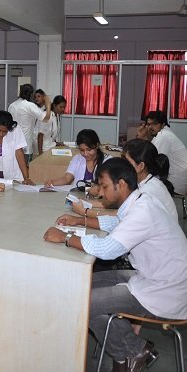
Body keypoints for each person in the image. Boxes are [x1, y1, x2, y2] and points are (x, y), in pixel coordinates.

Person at [43, 159, 187, 371]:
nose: (100, 193)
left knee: (80, 301)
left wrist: (66, 238)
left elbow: (107, 250)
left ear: (121, 184)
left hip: (166, 291)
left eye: (104, 187)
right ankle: (134, 350)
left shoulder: (143, 212)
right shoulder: (140, 201)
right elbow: (118, 223)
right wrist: (80, 221)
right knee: (81, 284)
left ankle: (131, 352)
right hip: (153, 278)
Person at [121, 139, 177, 220]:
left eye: (127, 162)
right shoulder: (149, 181)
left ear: (141, 166)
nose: (123, 165)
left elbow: (125, 215)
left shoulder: (147, 191)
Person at [0, 111, 32, 184]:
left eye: (4, 131)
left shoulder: (15, 131)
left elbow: (19, 154)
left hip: (14, 176)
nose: (1, 134)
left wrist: (26, 178)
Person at [44, 129, 111, 188]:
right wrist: (52, 182)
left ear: (97, 145)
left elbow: (109, 185)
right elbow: (67, 179)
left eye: (89, 149)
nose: (85, 153)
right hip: (78, 197)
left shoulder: (108, 161)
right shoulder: (77, 159)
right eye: (82, 150)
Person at [145, 110, 187, 195]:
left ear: (163, 124)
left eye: (154, 124)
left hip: (176, 183)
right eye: (148, 124)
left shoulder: (164, 136)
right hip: (178, 181)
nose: (150, 127)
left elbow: (151, 160)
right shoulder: (163, 133)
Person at [7, 84, 50, 162]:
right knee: (25, 168)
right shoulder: (29, 105)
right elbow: (46, 118)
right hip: (25, 146)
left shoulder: (11, 106)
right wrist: (48, 104)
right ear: (31, 94)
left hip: (12, 145)